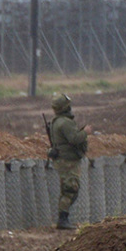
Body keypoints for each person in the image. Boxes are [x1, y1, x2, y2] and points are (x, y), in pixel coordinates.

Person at [48, 93, 92, 230]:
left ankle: (64, 218)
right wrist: (85, 132)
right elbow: (74, 139)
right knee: (70, 190)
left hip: (66, 160)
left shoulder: (58, 121)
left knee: (70, 189)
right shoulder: (65, 122)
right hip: (68, 161)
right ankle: (63, 220)